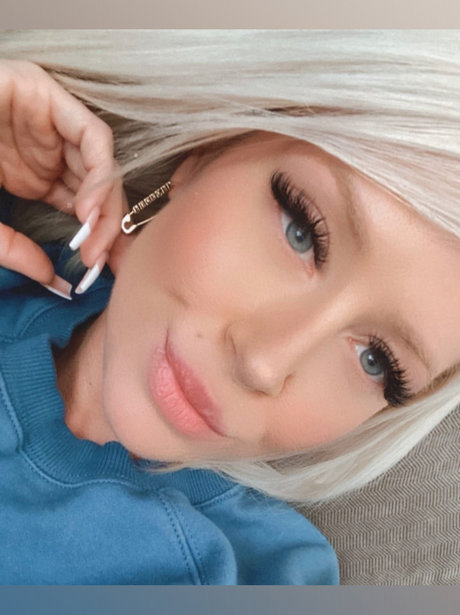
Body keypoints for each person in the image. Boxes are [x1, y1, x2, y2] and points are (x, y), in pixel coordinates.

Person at [0, 30, 459, 585]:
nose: (263, 365)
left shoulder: (252, 576)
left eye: (376, 361)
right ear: (207, 151)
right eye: (301, 231)